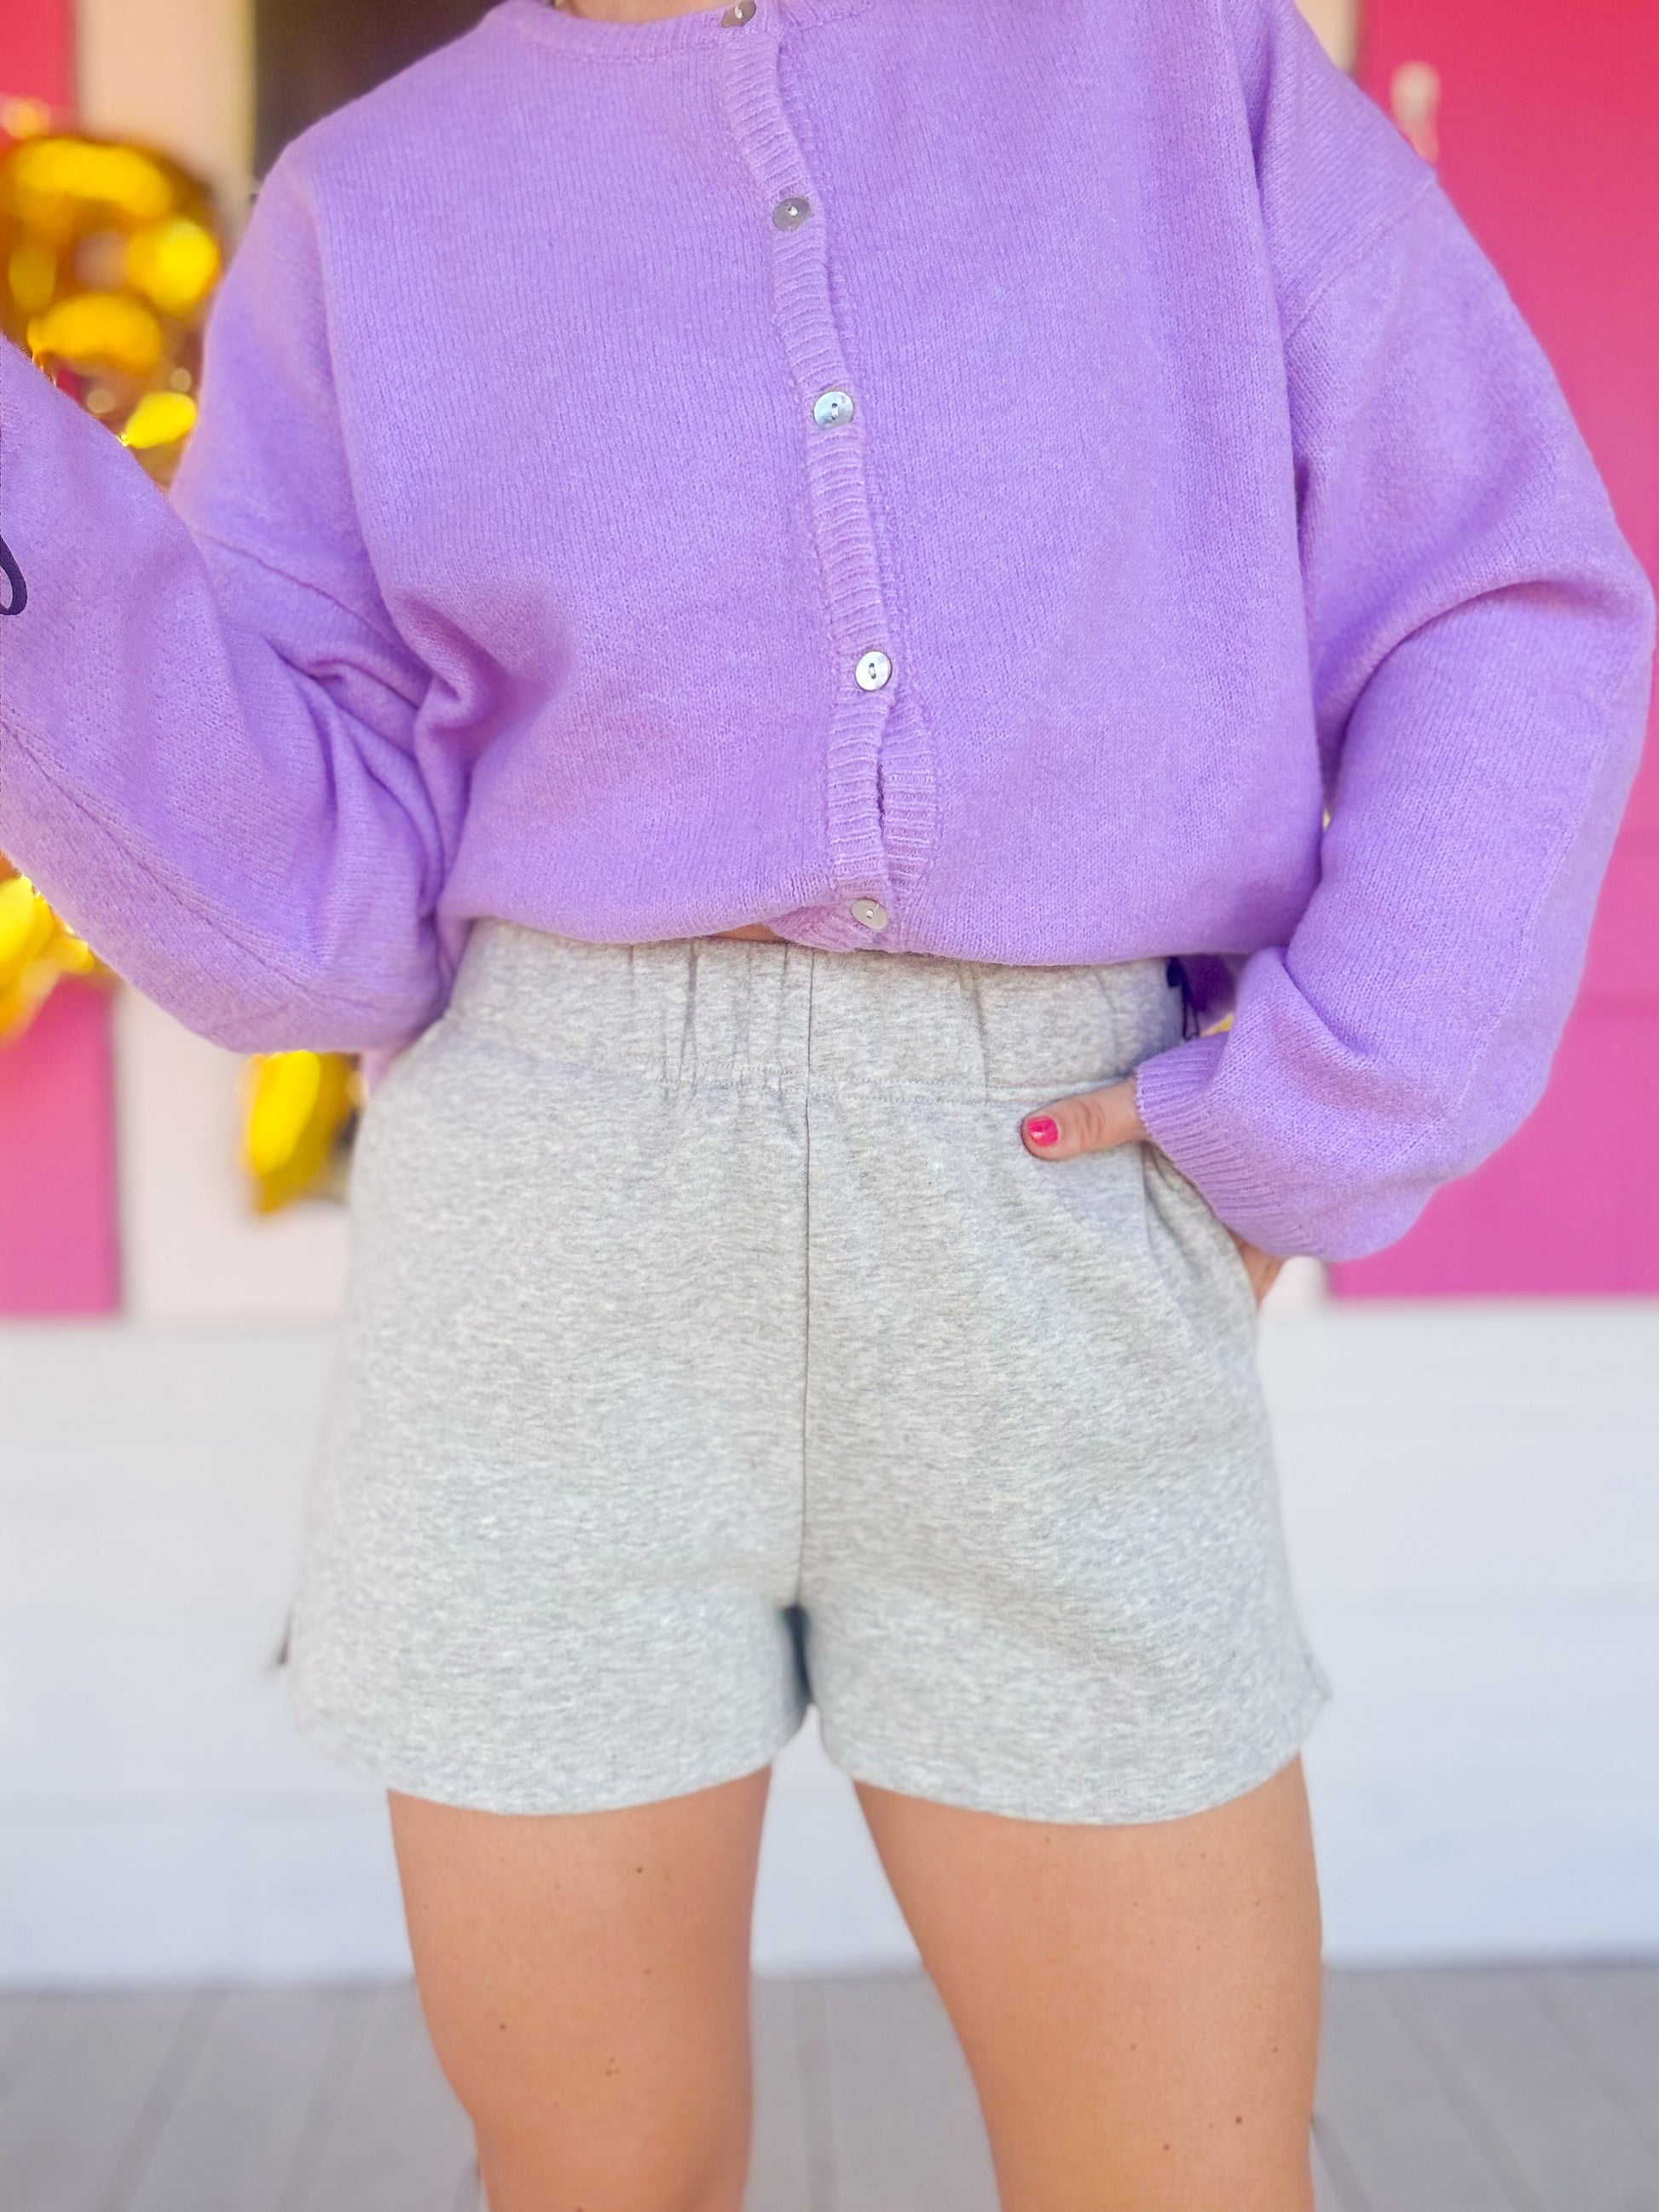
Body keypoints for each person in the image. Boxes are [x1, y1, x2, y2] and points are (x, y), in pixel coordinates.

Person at [0, 0, 1650, 2203]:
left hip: (1042, 1200)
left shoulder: (1172, 66)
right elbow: (326, 922)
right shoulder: (360, 210)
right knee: (596, 2181)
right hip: (542, 1240)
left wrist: (1332, 1099)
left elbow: (1503, 595)